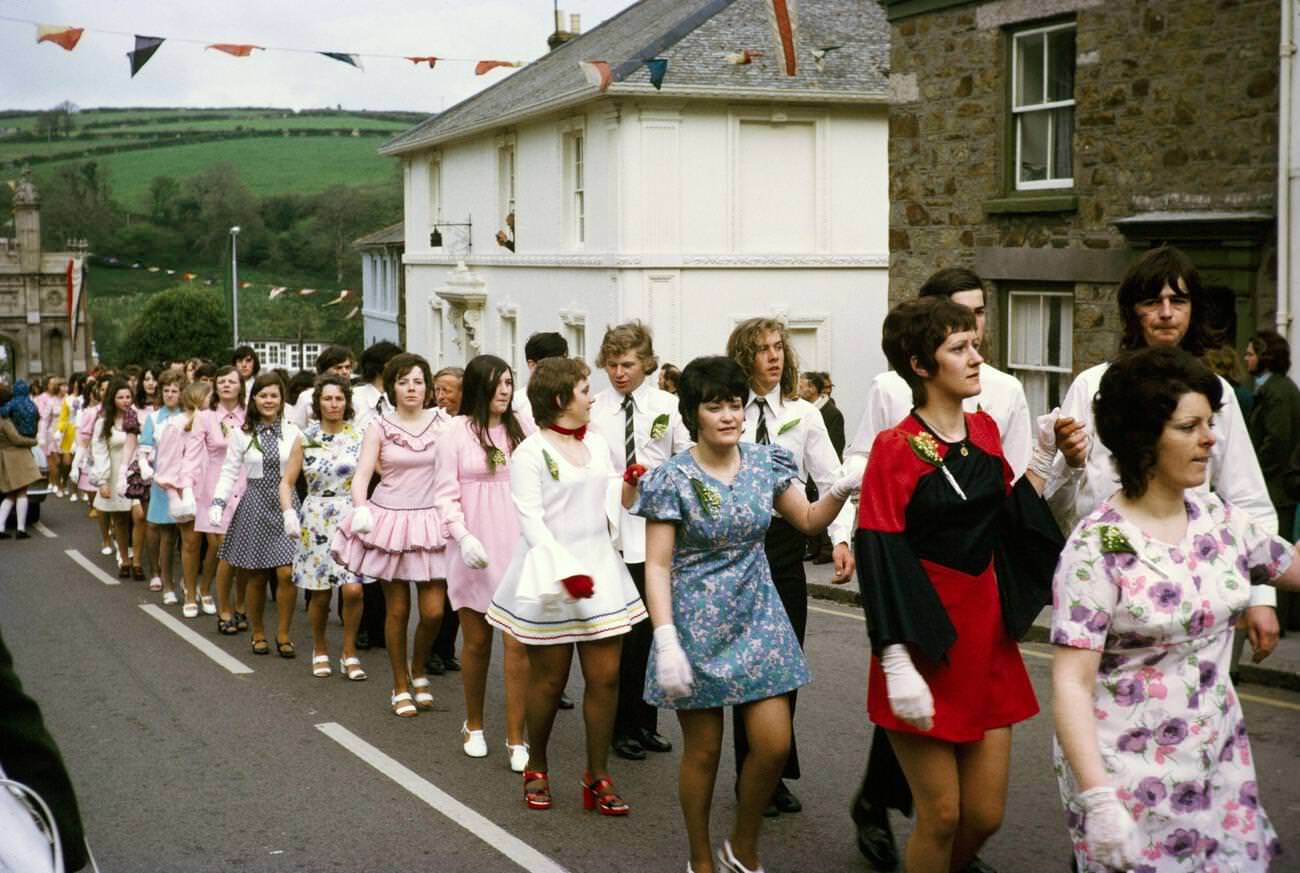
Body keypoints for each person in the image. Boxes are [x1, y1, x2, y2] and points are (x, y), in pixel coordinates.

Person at [1051, 346, 1298, 873]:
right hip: (1127, 777)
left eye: (1210, 423)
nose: (1210, 438)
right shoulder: (1097, 547)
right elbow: (1071, 684)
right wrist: (1098, 800)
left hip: (1218, 764)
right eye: (1190, 426)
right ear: (1144, 440)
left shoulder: (1216, 515)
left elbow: (1289, 566)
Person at [855, 297, 1073, 873]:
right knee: (943, 815)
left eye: (974, 345)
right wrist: (895, 659)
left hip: (987, 637)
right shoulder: (894, 448)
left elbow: (1004, 519)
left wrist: (1048, 458)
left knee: (985, 816)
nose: (976, 358)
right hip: (923, 640)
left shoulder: (983, 429)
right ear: (920, 366)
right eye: (959, 348)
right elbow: (880, 550)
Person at [634, 355, 860, 873]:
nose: (729, 415)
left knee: (774, 746)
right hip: (693, 624)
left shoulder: (766, 462)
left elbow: (806, 520)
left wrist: (841, 491)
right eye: (715, 406)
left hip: (758, 614)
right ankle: (699, 858)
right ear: (694, 414)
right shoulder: (672, 478)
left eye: (735, 404)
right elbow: (658, 565)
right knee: (705, 753)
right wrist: (665, 638)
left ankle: (742, 845)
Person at [1045, 246, 1280, 665]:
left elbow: (1246, 498)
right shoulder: (1094, 386)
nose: (1167, 313)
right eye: (1152, 301)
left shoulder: (1214, 392)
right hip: (1108, 586)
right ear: (1133, 311)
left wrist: (1262, 596)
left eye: (1179, 301)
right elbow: (1060, 508)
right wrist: (1071, 463)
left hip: (1194, 586)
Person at [486, 356, 647, 815]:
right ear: (560, 400)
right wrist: (563, 572)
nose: (591, 396)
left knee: (606, 678)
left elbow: (615, 500)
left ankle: (597, 775)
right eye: (583, 389)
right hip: (551, 573)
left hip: (600, 567)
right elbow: (531, 522)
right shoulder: (529, 453)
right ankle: (537, 765)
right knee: (550, 681)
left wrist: (631, 485)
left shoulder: (597, 444)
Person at [725, 317, 856, 816]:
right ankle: (748, 774)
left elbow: (831, 478)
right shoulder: (729, 411)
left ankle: (774, 773)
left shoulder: (803, 415)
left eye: (779, 347)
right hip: (736, 546)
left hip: (784, 546)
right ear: (745, 358)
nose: (774, 357)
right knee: (745, 666)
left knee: (782, 663)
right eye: (762, 350)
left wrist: (841, 538)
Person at [590, 321, 692, 762]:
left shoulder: (668, 405)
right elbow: (592, 468)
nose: (619, 372)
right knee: (627, 635)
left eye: (627, 364)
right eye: (612, 364)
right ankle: (621, 726)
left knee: (657, 631)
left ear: (646, 363)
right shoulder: (594, 410)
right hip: (616, 526)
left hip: (659, 525)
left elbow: (686, 456)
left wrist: (663, 480)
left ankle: (646, 721)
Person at [332, 353, 450, 717]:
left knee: (433, 612)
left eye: (417, 381)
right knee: (397, 609)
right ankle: (399, 683)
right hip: (390, 520)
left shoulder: (445, 423)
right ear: (391, 387)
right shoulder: (379, 426)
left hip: (432, 520)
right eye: (403, 381)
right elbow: (362, 475)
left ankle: (418, 670)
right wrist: (361, 507)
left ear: (428, 387)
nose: (411, 388)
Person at [433, 355, 535, 768]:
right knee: (476, 642)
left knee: (518, 643)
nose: (505, 390)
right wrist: (462, 535)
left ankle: (516, 737)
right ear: (479, 387)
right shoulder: (454, 433)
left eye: (509, 382)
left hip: (516, 543)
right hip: (473, 546)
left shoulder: (521, 430)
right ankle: (474, 724)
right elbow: (444, 493)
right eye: (496, 383)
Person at [210, 372, 303, 657]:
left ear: (282, 399)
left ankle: (284, 633)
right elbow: (229, 471)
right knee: (256, 576)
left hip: (287, 505)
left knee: (287, 574)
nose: (269, 401)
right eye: (263, 395)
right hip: (255, 503)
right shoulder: (242, 433)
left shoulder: (294, 431)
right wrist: (218, 502)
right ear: (254, 400)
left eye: (274, 395)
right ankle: (258, 632)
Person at [283, 375, 367, 679]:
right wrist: (289, 513)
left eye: (339, 398)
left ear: (347, 403)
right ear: (318, 403)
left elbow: (386, 472)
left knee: (354, 589)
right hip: (315, 515)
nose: (334, 404)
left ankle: (349, 652)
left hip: (349, 513)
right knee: (319, 593)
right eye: (328, 398)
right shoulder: (305, 437)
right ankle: (320, 648)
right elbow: (288, 481)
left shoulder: (360, 437)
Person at [1244, 329, 1300, 631]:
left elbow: (1277, 440)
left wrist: (1254, 473)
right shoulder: (1273, 388)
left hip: (1275, 487)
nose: (1246, 358)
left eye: (1251, 353)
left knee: (1274, 551)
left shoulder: (1277, 391)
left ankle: (1282, 618)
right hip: (1276, 484)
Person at [350, 340, 403, 651]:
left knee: (387, 553)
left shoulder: (398, 400)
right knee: (365, 552)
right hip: (363, 478)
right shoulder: (357, 399)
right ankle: (364, 626)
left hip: (394, 479)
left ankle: (383, 624)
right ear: (384, 366)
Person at [193, 367, 247, 633]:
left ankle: (242, 606)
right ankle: (223, 608)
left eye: (232, 381)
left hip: (248, 485)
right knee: (225, 549)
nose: (226, 385)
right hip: (216, 487)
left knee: (247, 552)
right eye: (221, 381)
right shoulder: (205, 417)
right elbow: (193, 455)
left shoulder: (251, 414)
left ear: (241, 386)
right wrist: (187, 490)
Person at [155, 381, 213, 616]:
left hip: (213, 488)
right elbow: (166, 462)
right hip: (186, 489)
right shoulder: (176, 425)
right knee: (190, 542)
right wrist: (173, 492)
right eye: (210, 395)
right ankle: (190, 592)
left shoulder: (215, 421)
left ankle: (205, 587)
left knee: (216, 543)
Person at [429, 365, 465, 675]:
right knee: (438, 584)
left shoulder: (469, 424)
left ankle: (447, 647)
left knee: (457, 584)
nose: (441, 396)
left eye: (448, 390)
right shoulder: (432, 423)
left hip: (463, 510)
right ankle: (432, 650)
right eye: (438, 390)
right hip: (433, 508)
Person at [140, 369, 186, 606]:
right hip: (162, 481)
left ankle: (187, 582)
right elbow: (144, 447)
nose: (170, 395)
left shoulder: (189, 415)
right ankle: (166, 581)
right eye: (166, 390)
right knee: (166, 533)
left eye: (174, 391)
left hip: (186, 481)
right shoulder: (153, 417)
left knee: (188, 537)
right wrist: (145, 466)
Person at [91, 379, 139, 577]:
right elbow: (99, 450)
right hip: (114, 472)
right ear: (112, 399)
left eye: (128, 396)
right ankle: (124, 559)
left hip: (136, 474)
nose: (125, 401)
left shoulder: (137, 419)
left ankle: (137, 559)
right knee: (120, 518)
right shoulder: (104, 423)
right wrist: (102, 480)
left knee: (139, 516)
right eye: (120, 397)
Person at [0, 384, 42, 539]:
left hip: (5, 457)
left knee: (11, 494)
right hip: (16, 456)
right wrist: (32, 441)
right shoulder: (5, 420)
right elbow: (16, 439)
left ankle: (1, 527)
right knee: (22, 492)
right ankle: (21, 529)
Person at [288, 345, 354, 428]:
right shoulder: (306, 397)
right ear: (324, 370)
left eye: (347, 367)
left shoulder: (356, 396)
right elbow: (297, 429)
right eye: (338, 368)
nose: (345, 372)